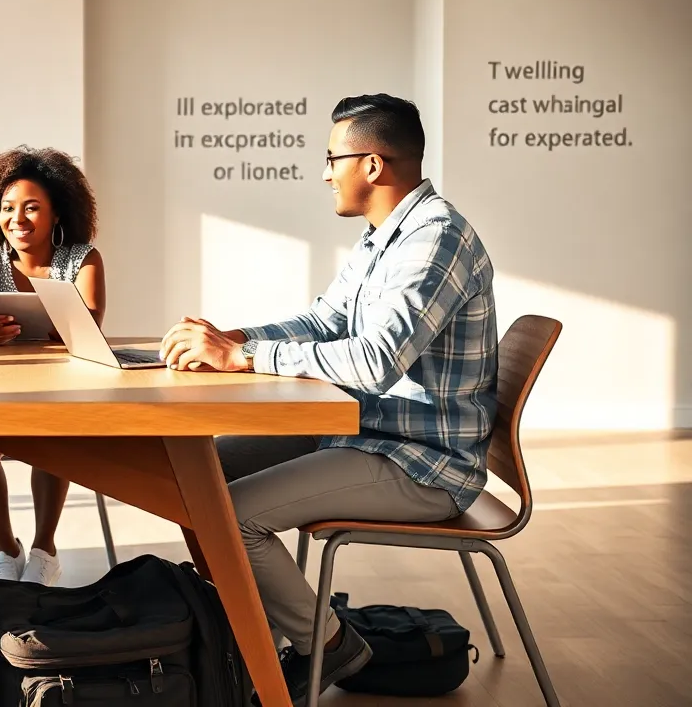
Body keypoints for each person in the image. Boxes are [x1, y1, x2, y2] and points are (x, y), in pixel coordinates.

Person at [159, 94, 497, 704]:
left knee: (229, 514)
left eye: (331, 157)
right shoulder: (385, 238)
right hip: (367, 430)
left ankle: (329, 647)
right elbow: (325, 321)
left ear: (371, 164)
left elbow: (374, 361)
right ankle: (254, 632)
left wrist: (243, 359)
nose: (323, 172)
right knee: (191, 477)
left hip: (419, 459)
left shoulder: (434, 239)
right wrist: (236, 338)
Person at [0, 146, 105, 586]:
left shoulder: (82, 258)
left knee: (52, 438)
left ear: (57, 213)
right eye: (7, 208)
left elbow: (91, 321)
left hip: (60, 389)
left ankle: (44, 547)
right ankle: (7, 548)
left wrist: (69, 326)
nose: (17, 219)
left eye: (31, 208)